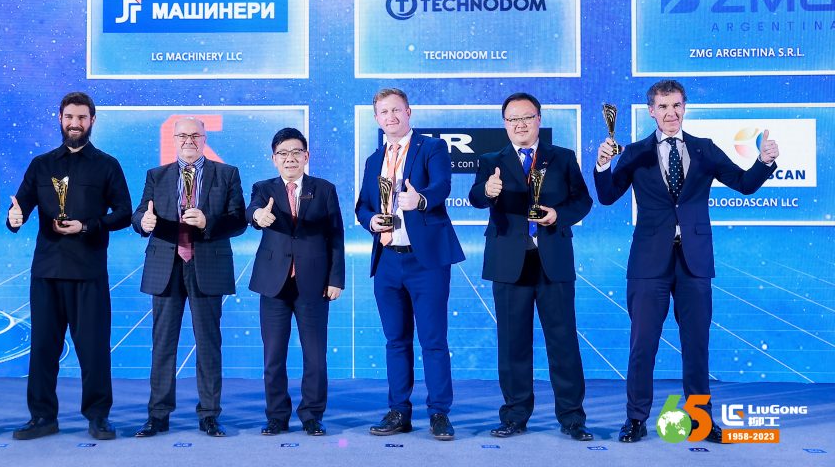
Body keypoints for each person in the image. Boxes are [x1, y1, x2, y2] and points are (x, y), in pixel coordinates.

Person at [594, 79, 779, 443]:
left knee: (696, 345)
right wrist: (602, 165)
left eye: (676, 105)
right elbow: (608, 196)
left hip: (695, 262)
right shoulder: (635, 152)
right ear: (651, 111)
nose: (671, 113)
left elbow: (744, 184)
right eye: (663, 107)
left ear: (684, 107)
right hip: (648, 264)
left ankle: (700, 419)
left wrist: (764, 161)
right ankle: (635, 419)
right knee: (643, 345)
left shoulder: (704, 148)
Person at [468, 92, 594, 441]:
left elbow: (582, 200)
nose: (520, 124)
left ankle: (572, 418)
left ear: (539, 119)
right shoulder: (491, 160)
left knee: (563, 342)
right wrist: (488, 190)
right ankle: (514, 416)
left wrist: (558, 215)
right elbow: (475, 198)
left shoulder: (562, 157)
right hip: (509, 263)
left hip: (553, 260)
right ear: (505, 124)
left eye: (526, 117)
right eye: (512, 119)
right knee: (513, 345)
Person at [6, 91, 132, 441]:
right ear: (60, 119)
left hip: (88, 271)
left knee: (93, 349)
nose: (75, 123)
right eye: (69, 117)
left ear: (92, 121)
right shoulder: (41, 165)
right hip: (46, 272)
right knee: (43, 349)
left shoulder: (107, 165)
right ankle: (42, 417)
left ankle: (98, 417)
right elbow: (20, 208)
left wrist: (88, 226)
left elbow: (124, 212)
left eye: (81, 117)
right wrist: (14, 219)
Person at [354, 88, 465, 441]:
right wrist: (371, 220)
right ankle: (399, 411)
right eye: (383, 112)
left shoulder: (431, 147)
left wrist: (421, 200)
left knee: (433, 340)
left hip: (426, 260)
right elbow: (362, 206)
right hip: (387, 259)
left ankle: (439, 413)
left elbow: (442, 186)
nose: (390, 117)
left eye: (396, 110)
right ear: (377, 118)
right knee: (395, 341)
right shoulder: (373, 160)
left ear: (408, 112)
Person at [132, 117, 246, 438]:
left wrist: (208, 221)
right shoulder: (157, 175)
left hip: (207, 264)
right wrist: (143, 223)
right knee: (162, 343)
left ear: (204, 138)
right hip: (165, 266)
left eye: (195, 135)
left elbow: (239, 220)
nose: (188, 140)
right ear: (173, 139)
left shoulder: (227, 174)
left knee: (208, 343)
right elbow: (140, 213)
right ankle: (158, 415)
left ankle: (209, 414)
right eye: (182, 135)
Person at [246, 128, 344, 437]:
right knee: (273, 355)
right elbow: (252, 211)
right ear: (274, 159)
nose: (290, 159)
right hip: (273, 283)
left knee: (315, 355)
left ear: (306, 156)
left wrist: (335, 279)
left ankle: (312, 415)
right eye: (283, 154)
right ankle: (277, 416)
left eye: (296, 152)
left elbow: (336, 236)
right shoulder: (263, 188)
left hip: (313, 283)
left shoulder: (324, 189)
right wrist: (257, 217)